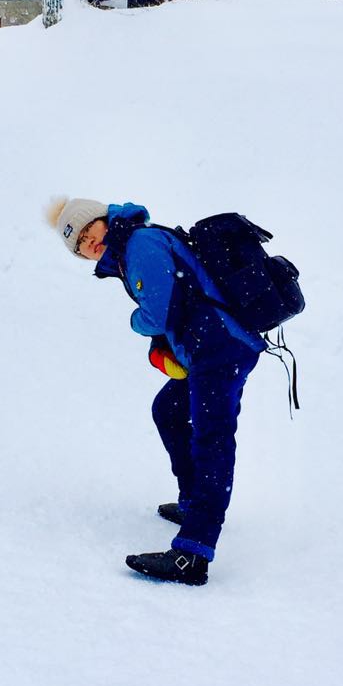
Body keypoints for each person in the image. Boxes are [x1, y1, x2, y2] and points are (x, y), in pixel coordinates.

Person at [48, 197, 264, 586]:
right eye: (77, 244)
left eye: (86, 230)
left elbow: (158, 313)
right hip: (211, 346)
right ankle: (193, 501)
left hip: (219, 346)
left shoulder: (138, 244)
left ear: (102, 220)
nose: (86, 243)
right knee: (168, 410)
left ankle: (193, 554)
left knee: (212, 438)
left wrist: (137, 322)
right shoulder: (128, 251)